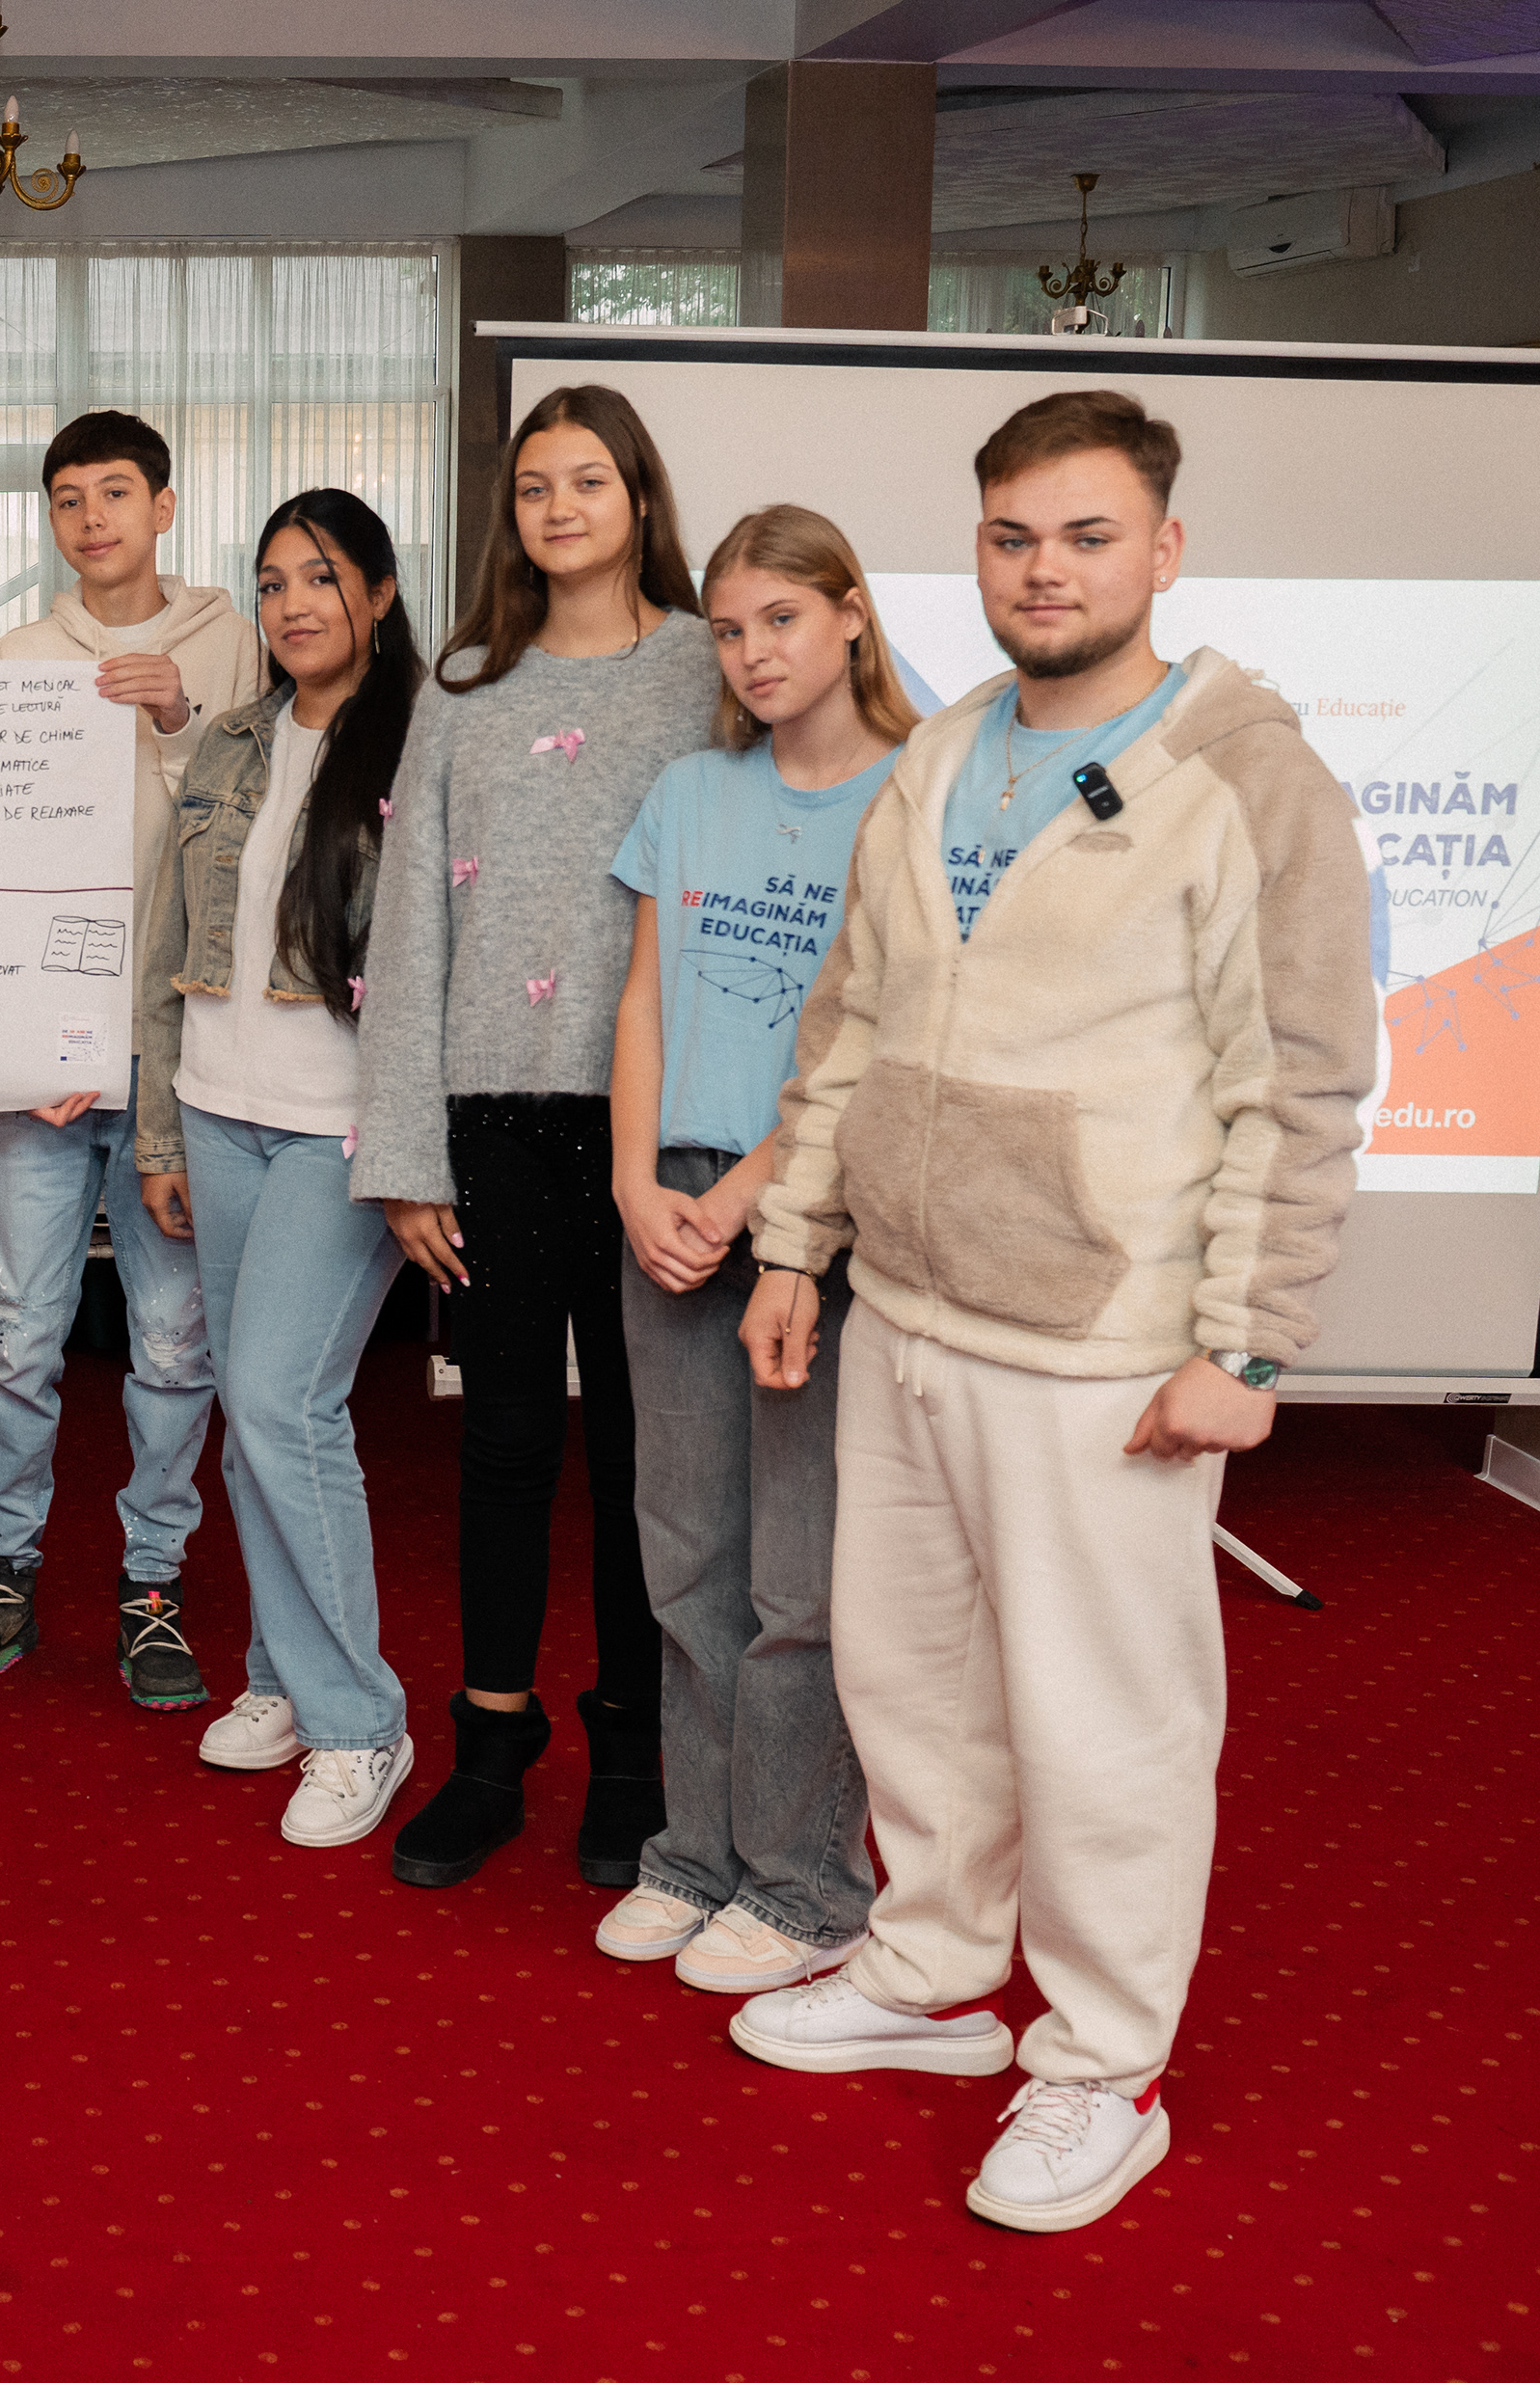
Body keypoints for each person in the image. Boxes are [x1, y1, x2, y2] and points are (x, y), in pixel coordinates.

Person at [725, 391, 1371, 2235]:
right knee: (911, 1688)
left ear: (1163, 550)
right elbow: (852, 1023)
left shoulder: (1251, 780)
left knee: (1105, 1727)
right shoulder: (939, 756)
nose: (1046, 570)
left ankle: (1104, 2066)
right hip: (910, 1313)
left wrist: (1245, 1345)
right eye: (1013, 538)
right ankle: (936, 1977)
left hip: (1105, 1346)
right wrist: (796, 1245)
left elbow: (1299, 1083)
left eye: (1087, 537)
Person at [350, 383, 713, 1889]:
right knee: (502, 1443)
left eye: (588, 481)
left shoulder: (710, 668)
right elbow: (410, 922)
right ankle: (490, 1751)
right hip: (492, 1114)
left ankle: (634, 1753)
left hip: (662, 1123)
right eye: (535, 486)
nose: (560, 508)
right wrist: (404, 1155)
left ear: (641, 497)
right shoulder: (465, 681)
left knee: (643, 1456)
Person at [593, 505, 913, 1993]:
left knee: (800, 1580)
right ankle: (696, 1857)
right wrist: (634, 1182)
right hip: (670, 1202)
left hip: (817, 1216)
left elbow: (880, 1041)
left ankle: (804, 1885)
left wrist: (748, 1201)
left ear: (850, 614)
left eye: (781, 618)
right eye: (729, 629)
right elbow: (645, 1003)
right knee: (686, 1563)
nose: (754, 652)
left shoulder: (915, 798)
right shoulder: (690, 791)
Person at [0, 408, 265, 1710]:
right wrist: (19, 1028)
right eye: (67, 498)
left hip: (185, 1061)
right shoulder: (17, 654)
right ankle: (3, 1569)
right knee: (19, 1333)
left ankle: (152, 1582)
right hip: (43, 1063)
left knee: (174, 1343)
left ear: (163, 507)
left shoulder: (235, 643)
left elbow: (253, 842)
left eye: (115, 493)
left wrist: (179, 717)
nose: (91, 518)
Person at [136, 490, 417, 1840]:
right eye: (270, 582)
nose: (293, 604)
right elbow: (169, 942)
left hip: (340, 1128)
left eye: (319, 576)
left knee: (279, 1402)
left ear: (378, 592)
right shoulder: (233, 740)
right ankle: (283, 1680)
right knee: (256, 1425)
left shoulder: (419, 745)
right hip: (216, 1107)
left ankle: (362, 1721)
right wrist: (159, 1128)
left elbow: (434, 970)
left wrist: (418, 1150)